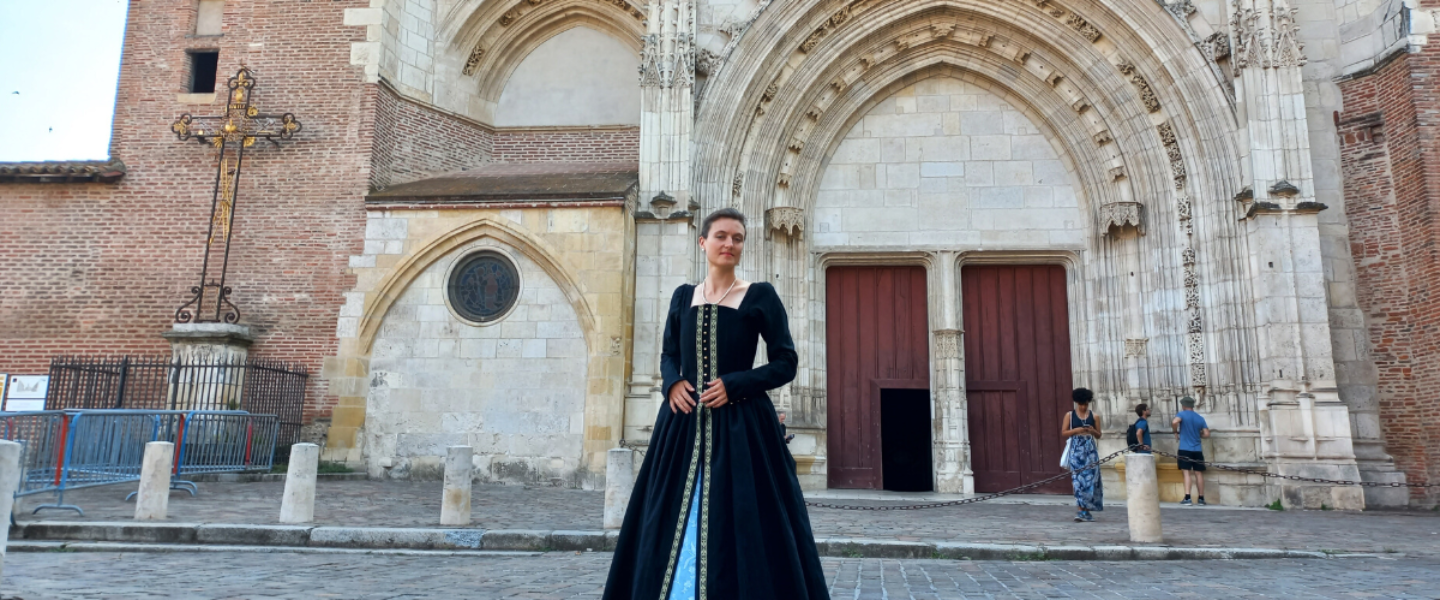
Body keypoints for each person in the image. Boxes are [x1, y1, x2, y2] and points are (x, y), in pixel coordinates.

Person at [603, 208, 829, 600]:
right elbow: (668, 354)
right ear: (703, 242)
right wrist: (672, 384)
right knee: (665, 514)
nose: (729, 244)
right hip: (682, 423)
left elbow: (785, 362)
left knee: (743, 517)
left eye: (737, 238)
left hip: (743, 426)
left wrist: (736, 384)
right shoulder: (682, 296)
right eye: (721, 236)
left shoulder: (760, 295)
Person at [1061, 388, 1103, 522]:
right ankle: (1080, 511)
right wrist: (1076, 430)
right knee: (1078, 481)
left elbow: (1099, 435)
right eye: (1081, 404)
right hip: (1076, 450)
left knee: (1091, 480)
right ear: (1077, 403)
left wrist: (1092, 431)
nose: (1083, 407)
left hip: (1090, 450)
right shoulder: (1070, 415)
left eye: (1085, 404)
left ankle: (1087, 510)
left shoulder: (1094, 416)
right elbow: (1064, 432)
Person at [1172, 396, 1210, 506]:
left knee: (1186, 473)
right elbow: (1207, 434)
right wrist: (1199, 435)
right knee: (1198, 473)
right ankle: (1201, 498)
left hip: (1185, 448)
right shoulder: (1199, 418)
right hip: (1197, 449)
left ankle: (1188, 497)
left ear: (1184, 405)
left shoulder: (1182, 414)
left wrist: (1175, 431)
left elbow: (1175, 422)